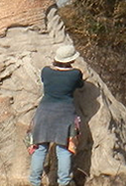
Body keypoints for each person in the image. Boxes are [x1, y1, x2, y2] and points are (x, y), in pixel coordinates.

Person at [28, 43, 85, 186]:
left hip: (44, 113)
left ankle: (35, 182)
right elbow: (80, 85)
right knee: (64, 150)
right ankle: (64, 183)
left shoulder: (46, 71)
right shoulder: (75, 74)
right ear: (71, 60)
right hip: (64, 115)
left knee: (40, 149)